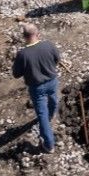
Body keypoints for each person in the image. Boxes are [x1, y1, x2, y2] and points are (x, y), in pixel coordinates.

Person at [11, 23, 62, 153]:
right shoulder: (48, 45)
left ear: (24, 37)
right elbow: (57, 59)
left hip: (37, 87)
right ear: (38, 34)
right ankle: (51, 115)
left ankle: (49, 145)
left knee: (41, 114)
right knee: (53, 100)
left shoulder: (22, 54)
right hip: (52, 81)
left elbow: (16, 74)